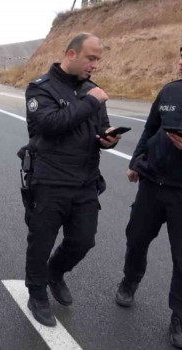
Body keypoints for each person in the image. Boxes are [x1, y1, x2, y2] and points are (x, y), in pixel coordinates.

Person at [20, 33, 122, 326]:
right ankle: (37, 293)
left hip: (85, 182)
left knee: (83, 240)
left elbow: (102, 129)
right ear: (71, 55)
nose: (96, 65)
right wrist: (90, 102)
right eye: (91, 58)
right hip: (50, 182)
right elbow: (50, 126)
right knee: (40, 242)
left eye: (98, 59)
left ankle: (55, 272)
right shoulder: (41, 89)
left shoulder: (93, 91)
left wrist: (108, 139)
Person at [114, 47, 182, 348]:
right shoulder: (168, 91)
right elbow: (151, 129)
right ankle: (130, 281)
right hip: (152, 185)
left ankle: (178, 315)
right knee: (136, 239)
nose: (180, 61)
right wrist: (135, 161)